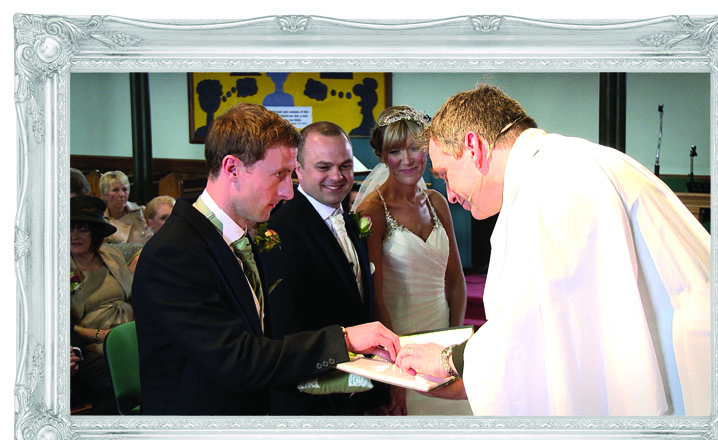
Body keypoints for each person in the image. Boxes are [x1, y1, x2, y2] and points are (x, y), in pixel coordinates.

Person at [395, 84, 711, 417]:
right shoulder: (562, 163)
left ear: (474, 147)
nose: (450, 194)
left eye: (445, 174)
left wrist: (448, 360)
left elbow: (532, 330)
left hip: (689, 369)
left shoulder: (549, 185)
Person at [131, 103, 399, 415]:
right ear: (232, 169)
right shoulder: (175, 253)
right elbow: (237, 359)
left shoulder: (238, 237)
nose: (288, 192)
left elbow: (266, 341)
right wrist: (344, 339)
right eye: (279, 175)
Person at [263, 121, 387, 415]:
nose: (337, 176)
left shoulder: (351, 221)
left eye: (345, 166)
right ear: (299, 169)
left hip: (356, 393)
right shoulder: (279, 232)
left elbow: (361, 310)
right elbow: (287, 333)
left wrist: (376, 394)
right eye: (324, 167)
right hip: (312, 400)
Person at [352, 106, 469, 415]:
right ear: (382, 156)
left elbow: (455, 281)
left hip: (442, 336)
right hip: (399, 341)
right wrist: (396, 372)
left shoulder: (437, 202)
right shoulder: (372, 211)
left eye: (415, 148)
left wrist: (452, 348)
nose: (407, 159)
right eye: (395, 151)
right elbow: (375, 298)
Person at [70, 195, 134, 414]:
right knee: (123, 374)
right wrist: (102, 335)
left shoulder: (112, 256)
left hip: (129, 334)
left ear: (96, 233)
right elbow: (63, 325)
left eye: (82, 230)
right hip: (92, 344)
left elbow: (134, 295)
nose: (74, 236)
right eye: (70, 229)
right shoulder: (57, 266)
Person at [100, 170, 152, 244]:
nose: (122, 194)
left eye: (125, 189)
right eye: (115, 190)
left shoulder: (142, 213)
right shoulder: (101, 220)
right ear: (105, 195)